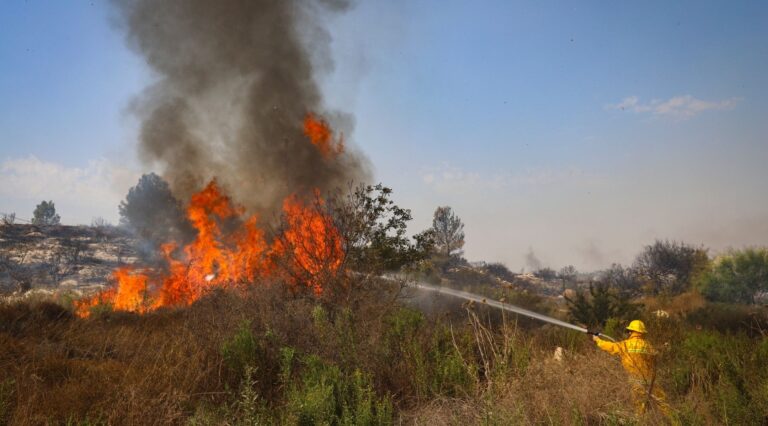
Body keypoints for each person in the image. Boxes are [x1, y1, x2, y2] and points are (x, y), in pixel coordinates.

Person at [593, 320, 672, 417]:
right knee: (663, 403)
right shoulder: (648, 345)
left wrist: (598, 340)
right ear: (642, 332)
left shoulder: (625, 345)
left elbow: (611, 347)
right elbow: (655, 358)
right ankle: (677, 422)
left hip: (636, 380)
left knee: (640, 407)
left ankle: (641, 422)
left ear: (631, 332)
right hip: (651, 380)